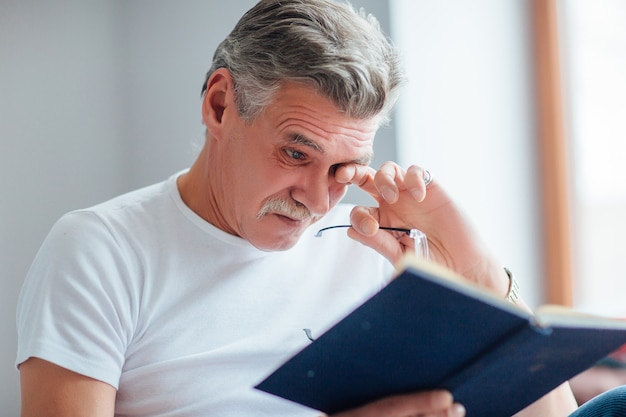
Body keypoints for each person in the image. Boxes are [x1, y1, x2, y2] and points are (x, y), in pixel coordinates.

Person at [14, 0, 616, 416]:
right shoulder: (100, 251)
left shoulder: (375, 247)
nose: (317, 196)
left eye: (342, 168)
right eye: (295, 152)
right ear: (221, 105)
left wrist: (480, 275)